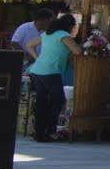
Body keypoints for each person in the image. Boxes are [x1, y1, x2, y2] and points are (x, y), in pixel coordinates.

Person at [25, 13, 78, 142]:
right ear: (70, 26)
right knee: (57, 102)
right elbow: (78, 51)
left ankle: (39, 132)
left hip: (37, 71)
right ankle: (50, 131)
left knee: (42, 102)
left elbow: (29, 44)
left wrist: (37, 58)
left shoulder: (47, 34)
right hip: (51, 71)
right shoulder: (64, 36)